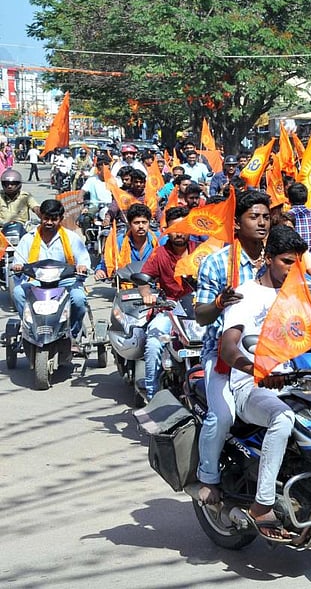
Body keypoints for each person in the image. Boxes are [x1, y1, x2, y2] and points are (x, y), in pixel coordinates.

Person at [219, 225, 311, 541]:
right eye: (287, 261)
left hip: (292, 385)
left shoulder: (294, 299)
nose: (293, 269)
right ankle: (262, 505)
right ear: (268, 258)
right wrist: (257, 370)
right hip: (252, 386)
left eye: (298, 263)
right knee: (282, 419)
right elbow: (228, 349)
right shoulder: (246, 295)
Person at [194, 191, 271, 505]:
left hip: (273, 355)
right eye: (254, 217)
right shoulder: (216, 263)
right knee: (222, 416)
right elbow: (200, 315)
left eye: (266, 217)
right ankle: (208, 477)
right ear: (237, 224)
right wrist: (218, 303)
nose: (262, 223)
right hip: (224, 357)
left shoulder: (276, 261)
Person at [138, 206, 197, 399]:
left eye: (183, 228)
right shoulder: (159, 254)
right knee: (154, 343)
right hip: (169, 309)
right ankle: (152, 395)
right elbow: (144, 280)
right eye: (174, 229)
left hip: (198, 311)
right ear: (167, 231)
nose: (179, 233)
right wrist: (147, 294)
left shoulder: (202, 251)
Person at [12, 199, 91, 337]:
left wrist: (82, 267)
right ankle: (31, 328)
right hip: (36, 281)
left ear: (60, 219)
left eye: (53, 219)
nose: (49, 222)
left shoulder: (71, 238)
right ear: (41, 217)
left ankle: (72, 334)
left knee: (78, 299)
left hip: (65, 281)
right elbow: (18, 261)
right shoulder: (28, 238)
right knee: (18, 292)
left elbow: (83, 259)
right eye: (46, 218)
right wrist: (17, 266)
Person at [95, 203, 159, 280]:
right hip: (127, 286)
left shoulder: (159, 239)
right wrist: (100, 271)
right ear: (129, 224)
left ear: (149, 223)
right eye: (136, 223)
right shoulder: (118, 242)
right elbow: (106, 262)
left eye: (144, 222)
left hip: (154, 286)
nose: (141, 226)